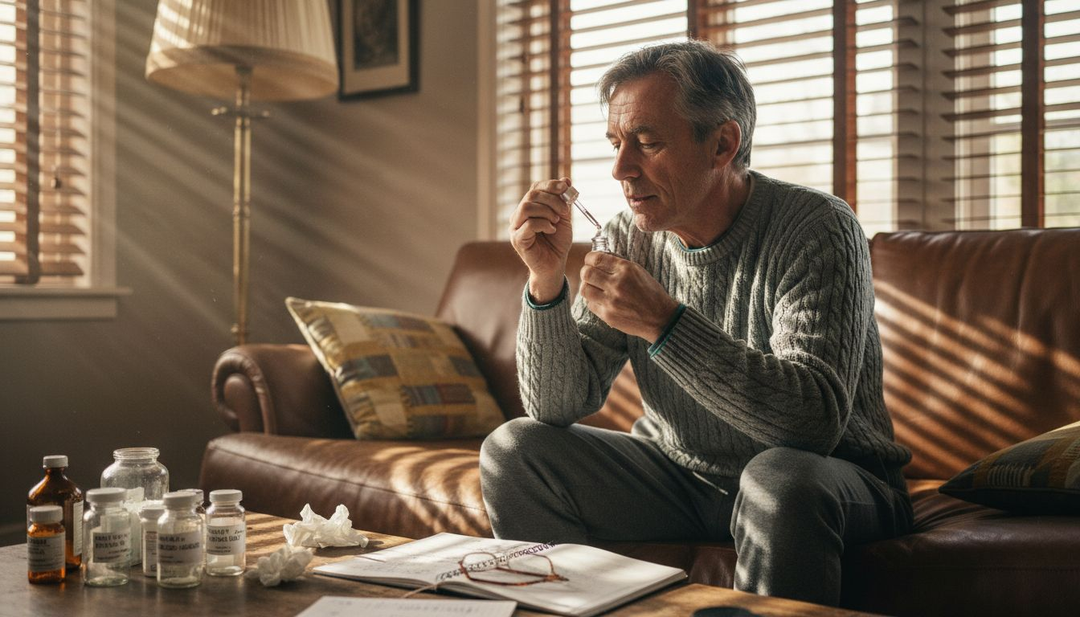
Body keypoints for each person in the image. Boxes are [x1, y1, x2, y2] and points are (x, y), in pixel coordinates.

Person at [478, 40, 914, 607]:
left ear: (722, 144)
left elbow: (811, 425)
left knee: (778, 479)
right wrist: (544, 283)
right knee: (515, 449)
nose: (620, 169)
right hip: (678, 476)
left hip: (826, 478)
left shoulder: (818, 227)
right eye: (616, 144)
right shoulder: (625, 238)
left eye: (647, 143)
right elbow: (556, 406)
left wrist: (665, 323)